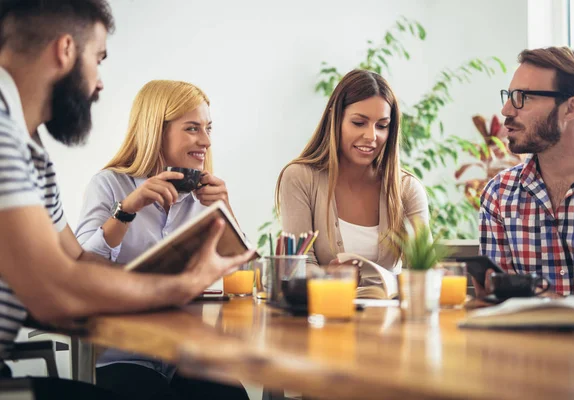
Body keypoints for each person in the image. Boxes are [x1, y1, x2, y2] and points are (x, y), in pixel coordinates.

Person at [0, 1, 253, 397]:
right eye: (98, 59)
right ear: (65, 50)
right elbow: (56, 291)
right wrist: (180, 285)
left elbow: (79, 263)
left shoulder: (30, 152)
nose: (99, 82)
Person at [75, 80, 248, 399]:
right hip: (121, 356)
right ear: (157, 129)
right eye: (193, 128)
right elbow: (82, 270)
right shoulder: (110, 185)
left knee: (230, 394)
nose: (206, 140)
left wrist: (227, 213)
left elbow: (241, 277)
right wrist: (128, 209)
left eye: (208, 128)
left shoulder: (204, 198)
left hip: (184, 355)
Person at [276, 69, 429, 286]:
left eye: (382, 126)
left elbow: (424, 269)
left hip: (390, 316)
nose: (371, 136)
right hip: (325, 312)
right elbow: (296, 264)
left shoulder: (406, 188)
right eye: (359, 123)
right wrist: (328, 277)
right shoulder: (300, 178)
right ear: (335, 118)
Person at [479, 46, 574, 296]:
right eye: (509, 95)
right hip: (527, 334)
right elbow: (497, 298)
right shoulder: (499, 194)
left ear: (571, 108)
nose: (507, 110)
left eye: (523, 97)